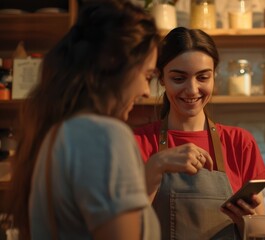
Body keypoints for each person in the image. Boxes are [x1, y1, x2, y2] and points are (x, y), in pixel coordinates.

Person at [6, 1, 161, 239]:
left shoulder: (55, 134)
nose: (147, 91)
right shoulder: (104, 136)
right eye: (146, 75)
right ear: (113, 62)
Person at [134, 27, 265, 240]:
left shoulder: (239, 143)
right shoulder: (137, 143)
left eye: (203, 77)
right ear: (161, 78)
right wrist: (154, 167)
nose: (192, 89)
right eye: (179, 78)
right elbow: (127, 230)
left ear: (214, 76)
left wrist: (249, 224)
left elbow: (262, 234)